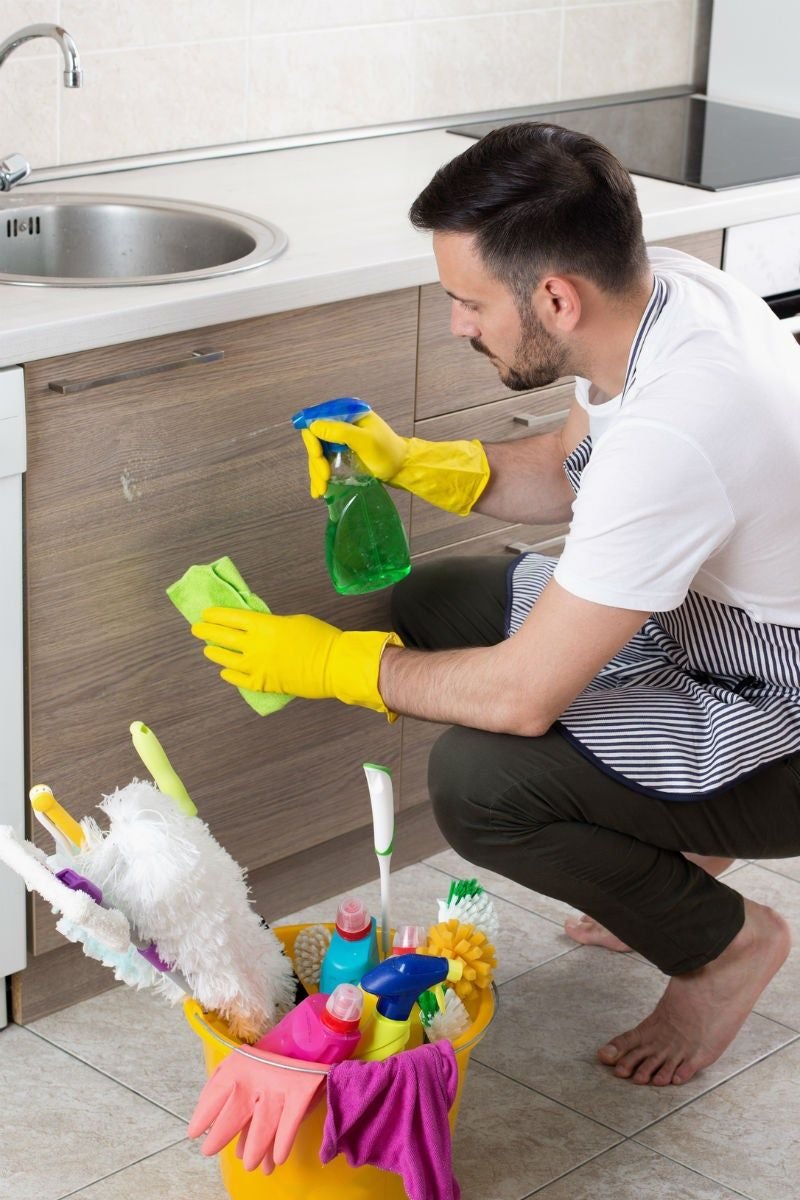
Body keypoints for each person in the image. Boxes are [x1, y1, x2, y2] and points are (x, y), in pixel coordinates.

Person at [191, 122, 800, 1088]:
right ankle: (669, 854)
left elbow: (523, 698)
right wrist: (413, 464)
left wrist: (331, 665)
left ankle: (724, 949)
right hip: (717, 635)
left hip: (782, 713)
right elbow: (568, 472)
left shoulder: (680, 430)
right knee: (439, 598)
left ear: (556, 297)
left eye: (468, 303)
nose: (458, 325)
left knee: (483, 780)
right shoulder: (663, 296)